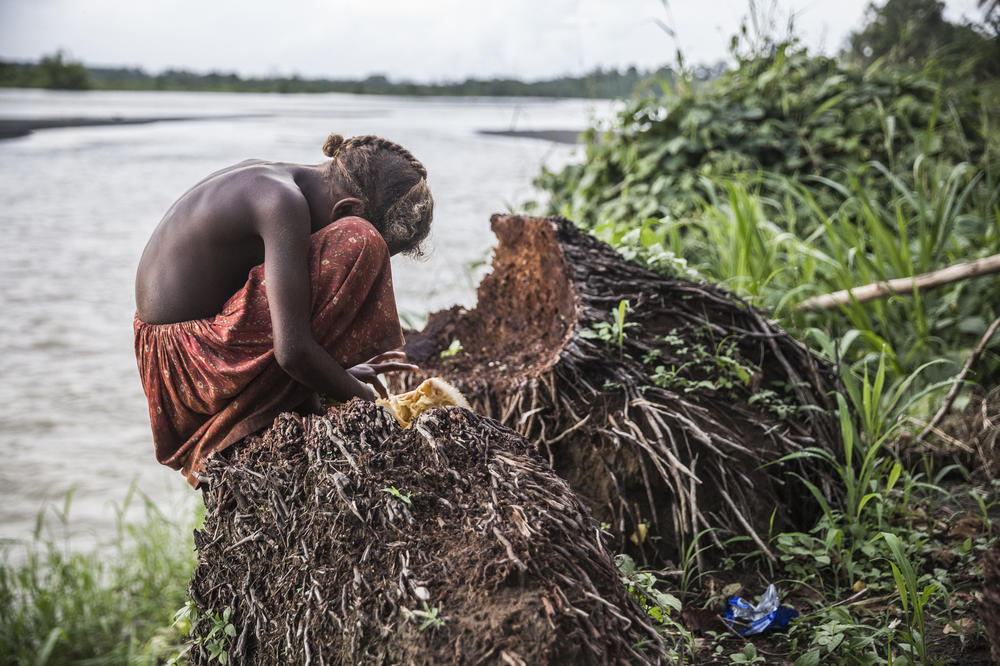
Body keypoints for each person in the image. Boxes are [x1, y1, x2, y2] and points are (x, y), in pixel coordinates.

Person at [134, 133, 432, 486]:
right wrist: (366, 397)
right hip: (189, 361)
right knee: (361, 240)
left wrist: (338, 372)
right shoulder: (282, 202)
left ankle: (303, 390)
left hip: (182, 346)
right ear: (348, 210)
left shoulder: (283, 183)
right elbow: (291, 351)